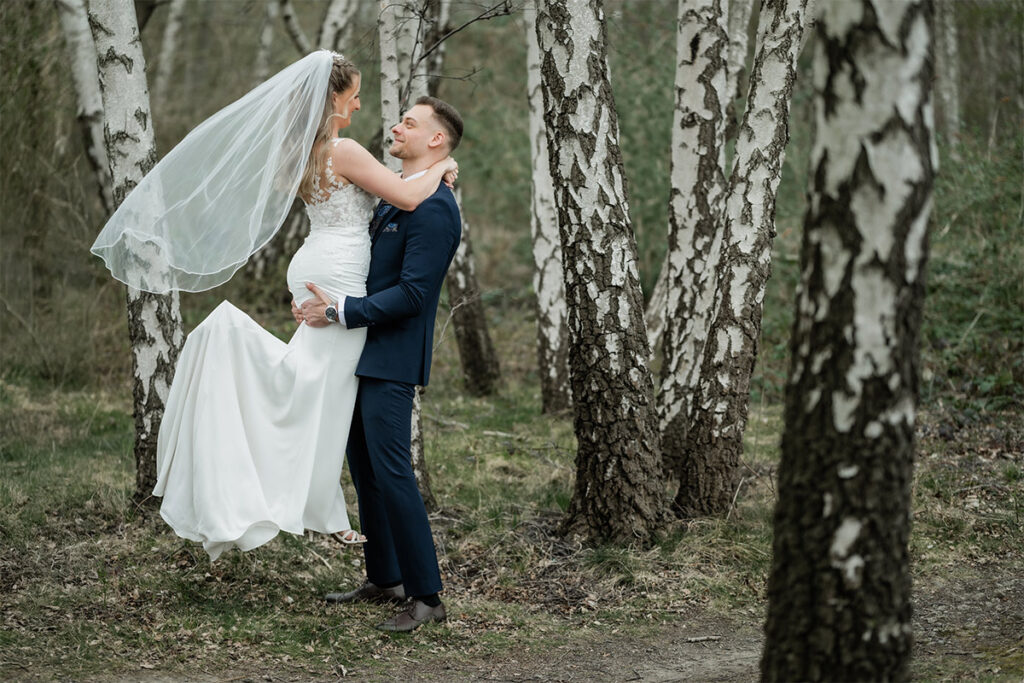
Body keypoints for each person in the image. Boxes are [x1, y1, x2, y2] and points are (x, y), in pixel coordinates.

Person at [91, 51, 457, 562]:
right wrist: (442, 166)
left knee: (309, 386)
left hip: (319, 264)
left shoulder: (300, 151)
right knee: (310, 392)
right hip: (337, 274)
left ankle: (314, 502)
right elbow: (407, 197)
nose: (355, 110)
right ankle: (301, 497)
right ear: (330, 98)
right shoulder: (343, 149)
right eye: (351, 98)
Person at [297, 96, 464, 633]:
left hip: (390, 358)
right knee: (366, 471)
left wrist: (340, 310)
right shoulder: (395, 200)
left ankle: (427, 596)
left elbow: (414, 294)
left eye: (410, 123)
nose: (396, 126)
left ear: (436, 140)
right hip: (354, 351)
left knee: (394, 473)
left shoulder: (437, 207)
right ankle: (383, 576)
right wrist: (318, 299)